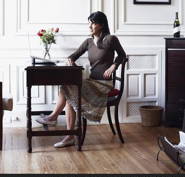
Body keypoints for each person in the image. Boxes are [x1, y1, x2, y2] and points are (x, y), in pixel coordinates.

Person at [36, 11, 126, 148]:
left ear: (101, 25)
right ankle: (68, 135)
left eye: (93, 23)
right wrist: (70, 60)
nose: (89, 26)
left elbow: (123, 56)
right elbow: (74, 55)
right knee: (67, 92)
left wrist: (114, 66)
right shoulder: (88, 42)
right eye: (89, 22)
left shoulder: (111, 39)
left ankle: (55, 119)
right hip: (92, 82)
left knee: (66, 89)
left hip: (104, 85)